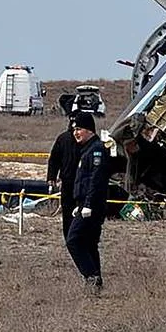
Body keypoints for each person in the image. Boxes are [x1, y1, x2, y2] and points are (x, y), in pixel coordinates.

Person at [65, 112, 110, 294]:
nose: (76, 133)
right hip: (84, 204)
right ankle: (96, 284)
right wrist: (80, 202)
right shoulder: (87, 150)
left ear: (90, 130)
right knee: (89, 243)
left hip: (92, 206)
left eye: (79, 129)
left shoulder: (96, 150)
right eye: (74, 129)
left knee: (73, 240)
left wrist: (89, 204)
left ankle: (91, 277)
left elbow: (96, 181)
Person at [46, 117, 82, 238]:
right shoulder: (63, 138)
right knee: (67, 211)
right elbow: (54, 159)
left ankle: (78, 235)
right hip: (67, 181)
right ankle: (68, 236)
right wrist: (51, 176)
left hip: (82, 182)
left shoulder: (86, 141)